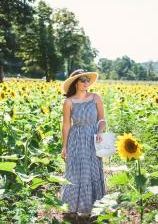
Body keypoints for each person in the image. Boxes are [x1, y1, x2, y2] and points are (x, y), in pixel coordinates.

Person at [60, 69, 106, 217]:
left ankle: (94, 208)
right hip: (76, 140)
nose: (86, 83)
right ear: (75, 83)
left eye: (87, 80)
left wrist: (99, 132)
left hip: (93, 139)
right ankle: (73, 208)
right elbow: (66, 125)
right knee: (75, 171)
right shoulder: (69, 102)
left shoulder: (95, 98)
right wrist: (64, 146)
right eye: (83, 80)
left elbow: (102, 120)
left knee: (92, 171)